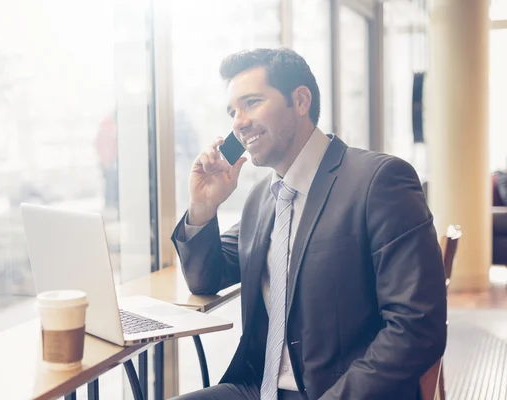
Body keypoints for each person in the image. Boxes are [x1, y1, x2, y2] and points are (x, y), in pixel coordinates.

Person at [170, 48, 447, 400]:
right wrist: (202, 205)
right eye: (232, 111)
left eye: (252, 102)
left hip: (339, 391)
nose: (238, 122)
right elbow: (206, 278)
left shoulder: (379, 181)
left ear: (300, 101)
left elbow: (417, 328)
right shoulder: (263, 200)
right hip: (257, 387)